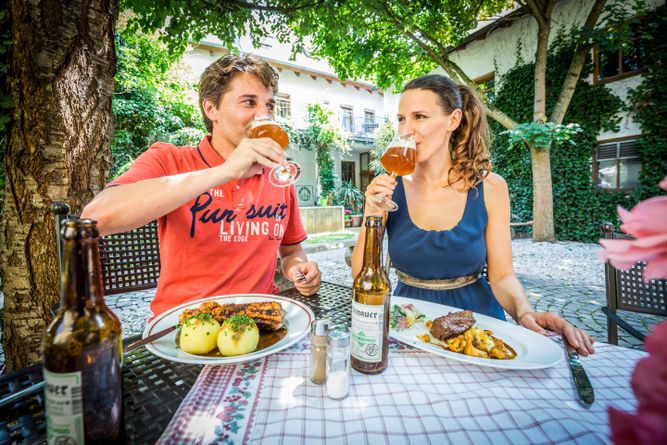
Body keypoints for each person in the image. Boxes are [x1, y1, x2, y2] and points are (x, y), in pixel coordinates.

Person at [351, 74, 595, 356]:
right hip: (410, 326)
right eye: (402, 119)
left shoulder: (491, 187)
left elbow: (502, 276)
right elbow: (361, 275)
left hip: (478, 325)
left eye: (419, 117)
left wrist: (524, 312)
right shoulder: (390, 189)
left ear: (453, 121)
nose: (406, 130)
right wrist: (371, 214)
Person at [82, 55, 321, 317]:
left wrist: (298, 269)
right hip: (184, 328)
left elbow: (291, 250)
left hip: (260, 321)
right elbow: (95, 217)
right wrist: (225, 172)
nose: (263, 114)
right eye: (249, 102)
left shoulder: (278, 176)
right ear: (211, 109)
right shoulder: (170, 159)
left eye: (270, 105)